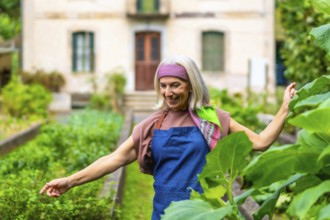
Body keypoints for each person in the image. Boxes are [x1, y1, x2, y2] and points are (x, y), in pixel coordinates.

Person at [40, 55, 296, 220]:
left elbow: (260, 142)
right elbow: (115, 158)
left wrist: (284, 109)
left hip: (206, 212)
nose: (168, 92)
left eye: (175, 85)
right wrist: (70, 181)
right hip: (165, 213)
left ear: (190, 86)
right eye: (163, 86)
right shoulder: (152, 125)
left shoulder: (213, 119)